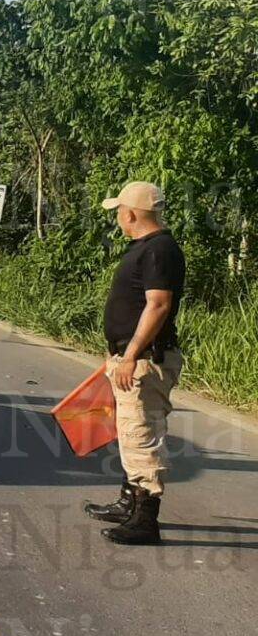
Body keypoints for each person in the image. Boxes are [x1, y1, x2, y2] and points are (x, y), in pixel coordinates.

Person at [84, 182, 185, 546]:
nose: (118, 218)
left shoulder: (158, 250)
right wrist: (116, 353)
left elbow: (158, 304)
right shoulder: (148, 248)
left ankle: (145, 520)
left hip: (142, 360)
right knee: (130, 432)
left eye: (119, 212)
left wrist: (130, 355)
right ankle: (129, 502)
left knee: (141, 435)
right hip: (130, 356)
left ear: (130, 214)